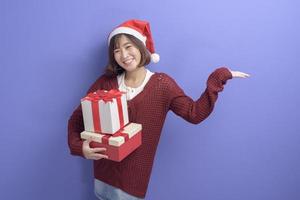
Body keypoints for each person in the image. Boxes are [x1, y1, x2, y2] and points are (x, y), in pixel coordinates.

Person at [68, 19, 250, 200]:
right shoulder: (105, 83)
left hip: (131, 188)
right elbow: (77, 119)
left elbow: (194, 113)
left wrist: (217, 79)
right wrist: (79, 147)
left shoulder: (162, 85)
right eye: (117, 50)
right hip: (102, 179)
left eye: (128, 46)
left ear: (141, 46)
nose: (123, 54)